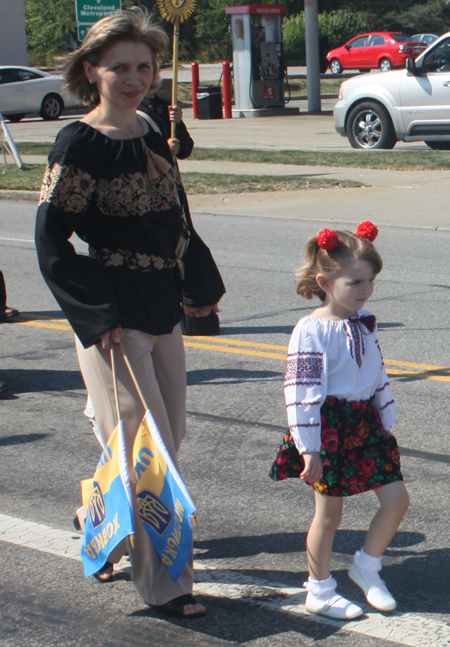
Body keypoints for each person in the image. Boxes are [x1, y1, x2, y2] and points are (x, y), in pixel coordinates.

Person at [35, 8, 225, 618]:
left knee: (171, 433)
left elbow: (177, 217)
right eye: (120, 67)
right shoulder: (78, 142)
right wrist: (96, 316)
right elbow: (51, 241)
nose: (135, 77)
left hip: (163, 305)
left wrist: (198, 286)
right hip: (114, 316)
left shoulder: (148, 127)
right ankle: (168, 585)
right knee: (153, 451)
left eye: (143, 66)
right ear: (92, 70)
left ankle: (98, 514)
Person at [270, 222, 409, 620]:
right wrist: (307, 447)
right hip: (327, 427)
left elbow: (377, 370)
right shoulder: (311, 330)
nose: (365, 290)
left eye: (371, 281)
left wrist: (385, 413)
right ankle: (319, 589)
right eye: (355, 282)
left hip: (366, 424)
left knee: (397, 500)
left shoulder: (364, 320)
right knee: (329, 514)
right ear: (324, 282)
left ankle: (367, 566)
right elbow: (301, 392)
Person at [139, 86, 221, 336]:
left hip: (172, 187)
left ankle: (199, 305)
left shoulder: (165, 107)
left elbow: (184, 150)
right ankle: (185, 305)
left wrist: (179, 125)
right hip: (148, 191)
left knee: (187, 242)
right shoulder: (130, 111)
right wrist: (164, 150)